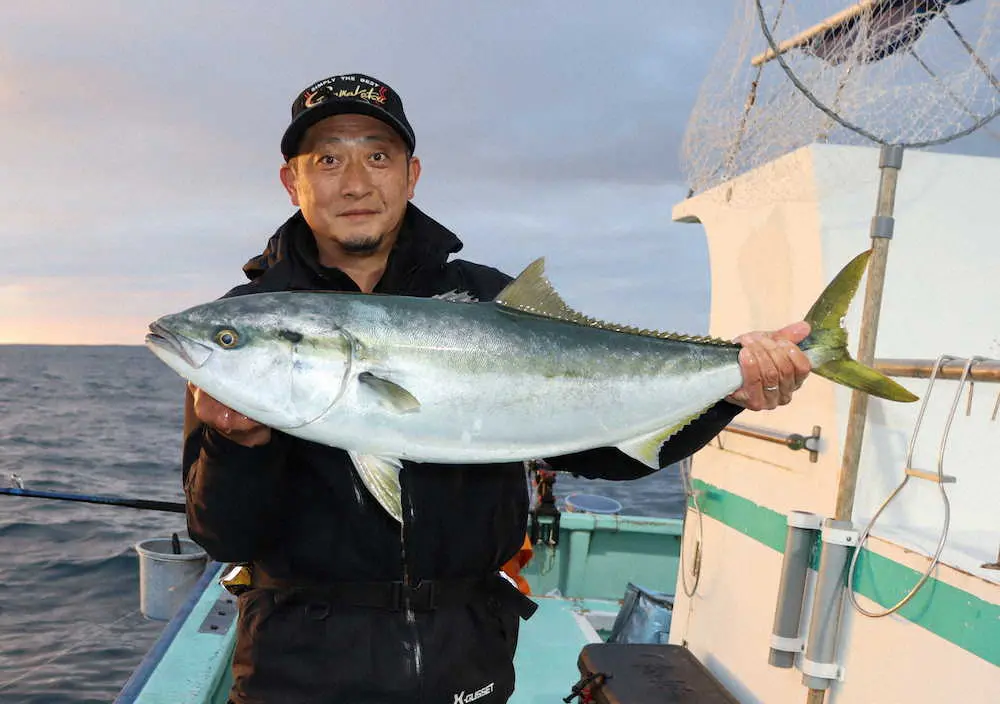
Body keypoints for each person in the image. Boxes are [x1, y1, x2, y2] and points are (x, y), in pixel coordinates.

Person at [182, 72, 812, 704]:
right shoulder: (244, 324)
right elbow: (225, 538)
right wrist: (235, 444)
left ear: (412, 174)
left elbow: (602, 452)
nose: (354, 182)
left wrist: (725, 392)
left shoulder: (490, 299)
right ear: (293, 181)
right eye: (327, 159)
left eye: (377, 156)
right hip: (296, 672)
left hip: (465, 661)